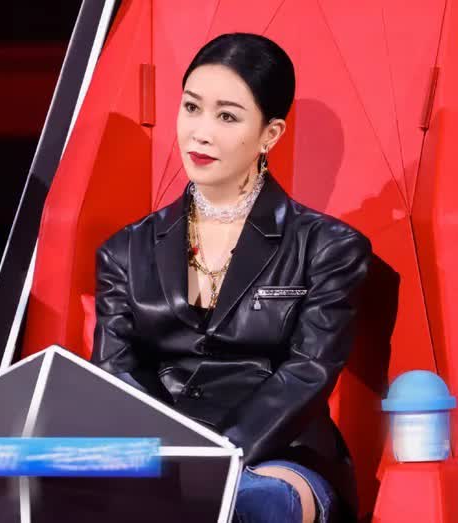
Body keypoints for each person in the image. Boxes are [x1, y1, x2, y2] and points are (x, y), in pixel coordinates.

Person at [90, 32, 371, 523]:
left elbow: (307, 373)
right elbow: (117, 374)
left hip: (277, 452)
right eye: (191, 107)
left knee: (245, 501)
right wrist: (173, 460)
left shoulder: (328, 247)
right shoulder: (124, 250)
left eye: (227, 116)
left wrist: (214, 460)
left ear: (270, 134)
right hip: (163, 460)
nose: (200, 133)